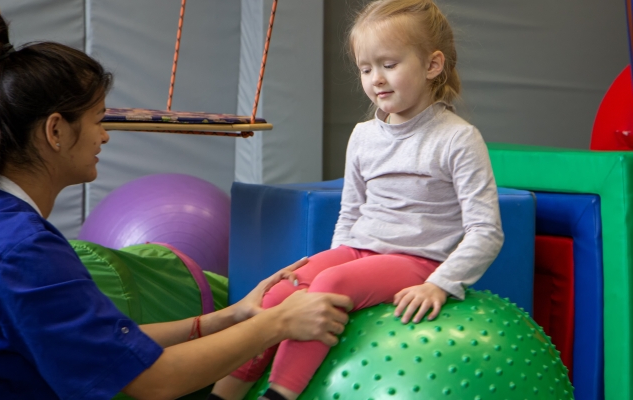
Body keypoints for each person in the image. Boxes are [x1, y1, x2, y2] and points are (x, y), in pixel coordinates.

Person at [0, 11, 354, 400]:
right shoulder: (22, 249)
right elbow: (151, 379)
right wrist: (277, 323)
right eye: (99, 120)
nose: (105, 137)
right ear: (56, 131)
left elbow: (105, 344)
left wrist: (229, 317)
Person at [209, 1, 505, 399]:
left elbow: (486, 230)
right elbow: (350, 213)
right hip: (357, 252)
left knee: (330, 283)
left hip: (418, 260)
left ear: (433, 65)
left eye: (389, 64)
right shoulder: (364, 136)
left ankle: (280, 393)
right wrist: (329, 264)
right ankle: (223, 393)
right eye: (366, 69)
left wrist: (441, 284)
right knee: (282, 289)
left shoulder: (456, 138)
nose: (376, 79)